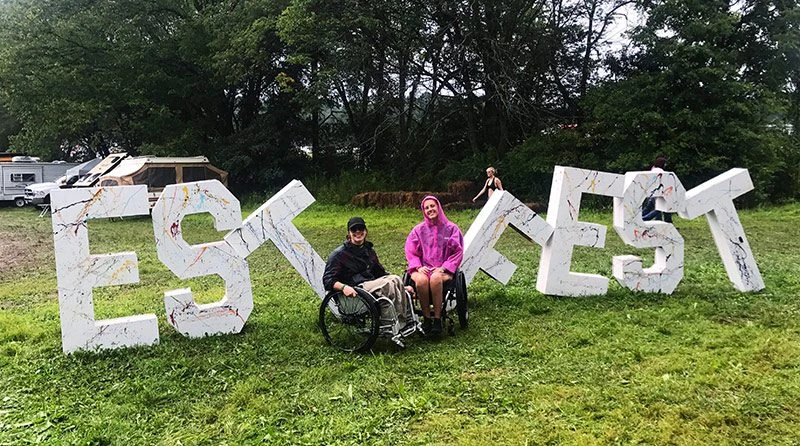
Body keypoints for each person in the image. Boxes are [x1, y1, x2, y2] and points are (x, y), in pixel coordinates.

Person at [323, 217, 413, 333]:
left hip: (369, 284)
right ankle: (389, 324)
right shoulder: (339, 255)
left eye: (360, 228)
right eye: (354, 229)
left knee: (395, 279)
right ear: (349, 233)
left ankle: (404, 321)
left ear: (366, 231)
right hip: (354, 289)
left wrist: (401, 287)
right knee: (387, 284)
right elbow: (328, 280)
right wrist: (344, 287)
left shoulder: (368, 250)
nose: (357, 232)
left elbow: (380, 273)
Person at [405, 196, 464, 336]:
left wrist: (444, 267)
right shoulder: (418, 230)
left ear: (438, 207)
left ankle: (437, 319)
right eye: (426, 208)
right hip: (422, 268)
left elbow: (458, 251)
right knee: (421, 280)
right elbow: (411, 251)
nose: (430, 209)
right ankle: (426, 318)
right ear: (423, 211)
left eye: (432, 206)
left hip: (442, 269)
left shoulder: (451, 229)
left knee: (435, 278)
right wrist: (418, 267)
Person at [642, 155, 673, 223]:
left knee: (649, 207)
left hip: (651, 192)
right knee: (660, 209)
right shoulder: (661, 171)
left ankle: (641, 217)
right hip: (659, 192)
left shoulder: (653, 169)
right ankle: (645, 219)